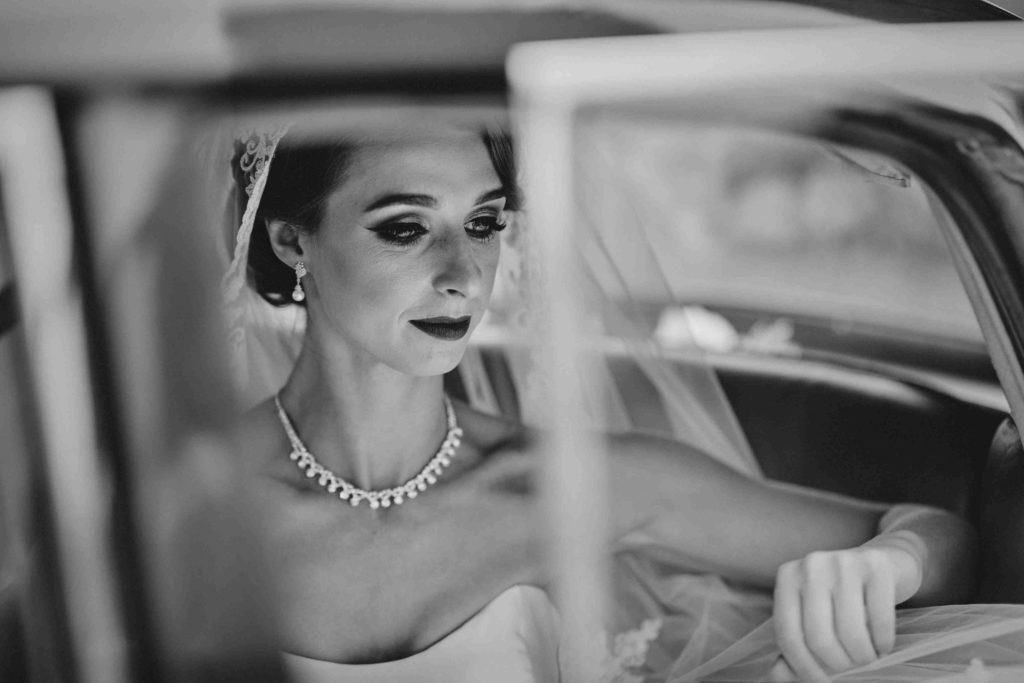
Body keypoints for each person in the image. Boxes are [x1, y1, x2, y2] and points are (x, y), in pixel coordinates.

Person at [222, 123, 986, 683]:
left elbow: (940, 540)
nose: (465, 272)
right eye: (407, 228)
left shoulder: (575, 484)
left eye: (485, 223)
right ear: (293, 240)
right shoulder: (190, 509)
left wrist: (890, 565)